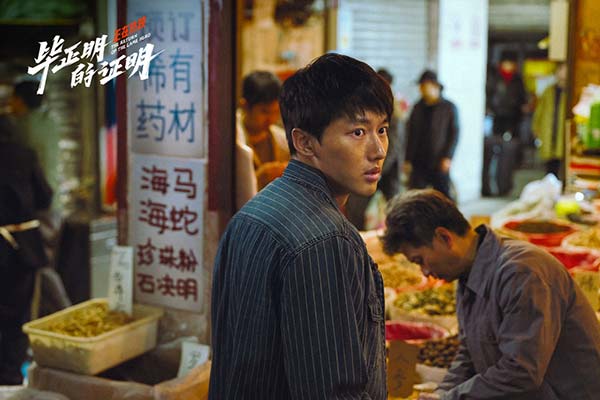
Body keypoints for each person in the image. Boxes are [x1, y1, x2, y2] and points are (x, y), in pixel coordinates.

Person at [210, 53, 393, 399]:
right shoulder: (326, 239)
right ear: (305, 142)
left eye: (381, 130)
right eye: (358, 132)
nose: (378, 150)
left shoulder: (251, 215)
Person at [381, 189, 600, 400]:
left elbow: (522, 371)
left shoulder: (521, 273)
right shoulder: (466, 275)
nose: (424, 272)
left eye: (420, 260)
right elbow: (469, 354)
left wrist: (451, 397)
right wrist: (441, 393)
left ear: (444, 237)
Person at [0, 103, 53, 384]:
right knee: (18, 314)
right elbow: (45, 197)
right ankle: (9, 378)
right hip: (22, 247)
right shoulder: (25, 155)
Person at [345, 67, 405, 230]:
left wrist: (377, 167)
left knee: (394, 215)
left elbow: (394, 147)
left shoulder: (394, 113)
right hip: (370, 169)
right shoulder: (367, 108)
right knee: (356, 210)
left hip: (386, 172)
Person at [236, 70, 290, 208]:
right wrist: (258, 179)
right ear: (245, 106)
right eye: (265, 112)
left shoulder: (282, 140)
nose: (271, 119)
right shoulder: (231, 138)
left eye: (276, 112)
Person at [405, 70, 459, 201]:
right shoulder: (417, 107)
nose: (422, 89)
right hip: (419, 161)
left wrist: (448, 157)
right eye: (421, 86)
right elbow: (410, 134)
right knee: (415, 198)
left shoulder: (448, 108)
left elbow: (454, 133)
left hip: (438, 160)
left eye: (425, 86)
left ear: (435, 86)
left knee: (443, 197)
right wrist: (407, 159)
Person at [532, 63, 567, 179]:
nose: (563, 73)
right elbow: (539, 112)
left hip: (563, 133)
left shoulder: (570, 92)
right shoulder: (548, 91)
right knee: (550, 166)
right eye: (561, 69)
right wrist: (536, 128)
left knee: (562, 164)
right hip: (549, 131)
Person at [486, 50, 528, 138]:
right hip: (497, 113)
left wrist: (523, 105)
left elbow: (522, 95)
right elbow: (489, 93)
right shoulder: (495, 77)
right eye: (506, 63)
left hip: (513, 114)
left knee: (513, 137)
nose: (509, 66)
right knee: (497, 137)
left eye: (511, 63)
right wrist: (488, 107)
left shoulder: (517, 79)